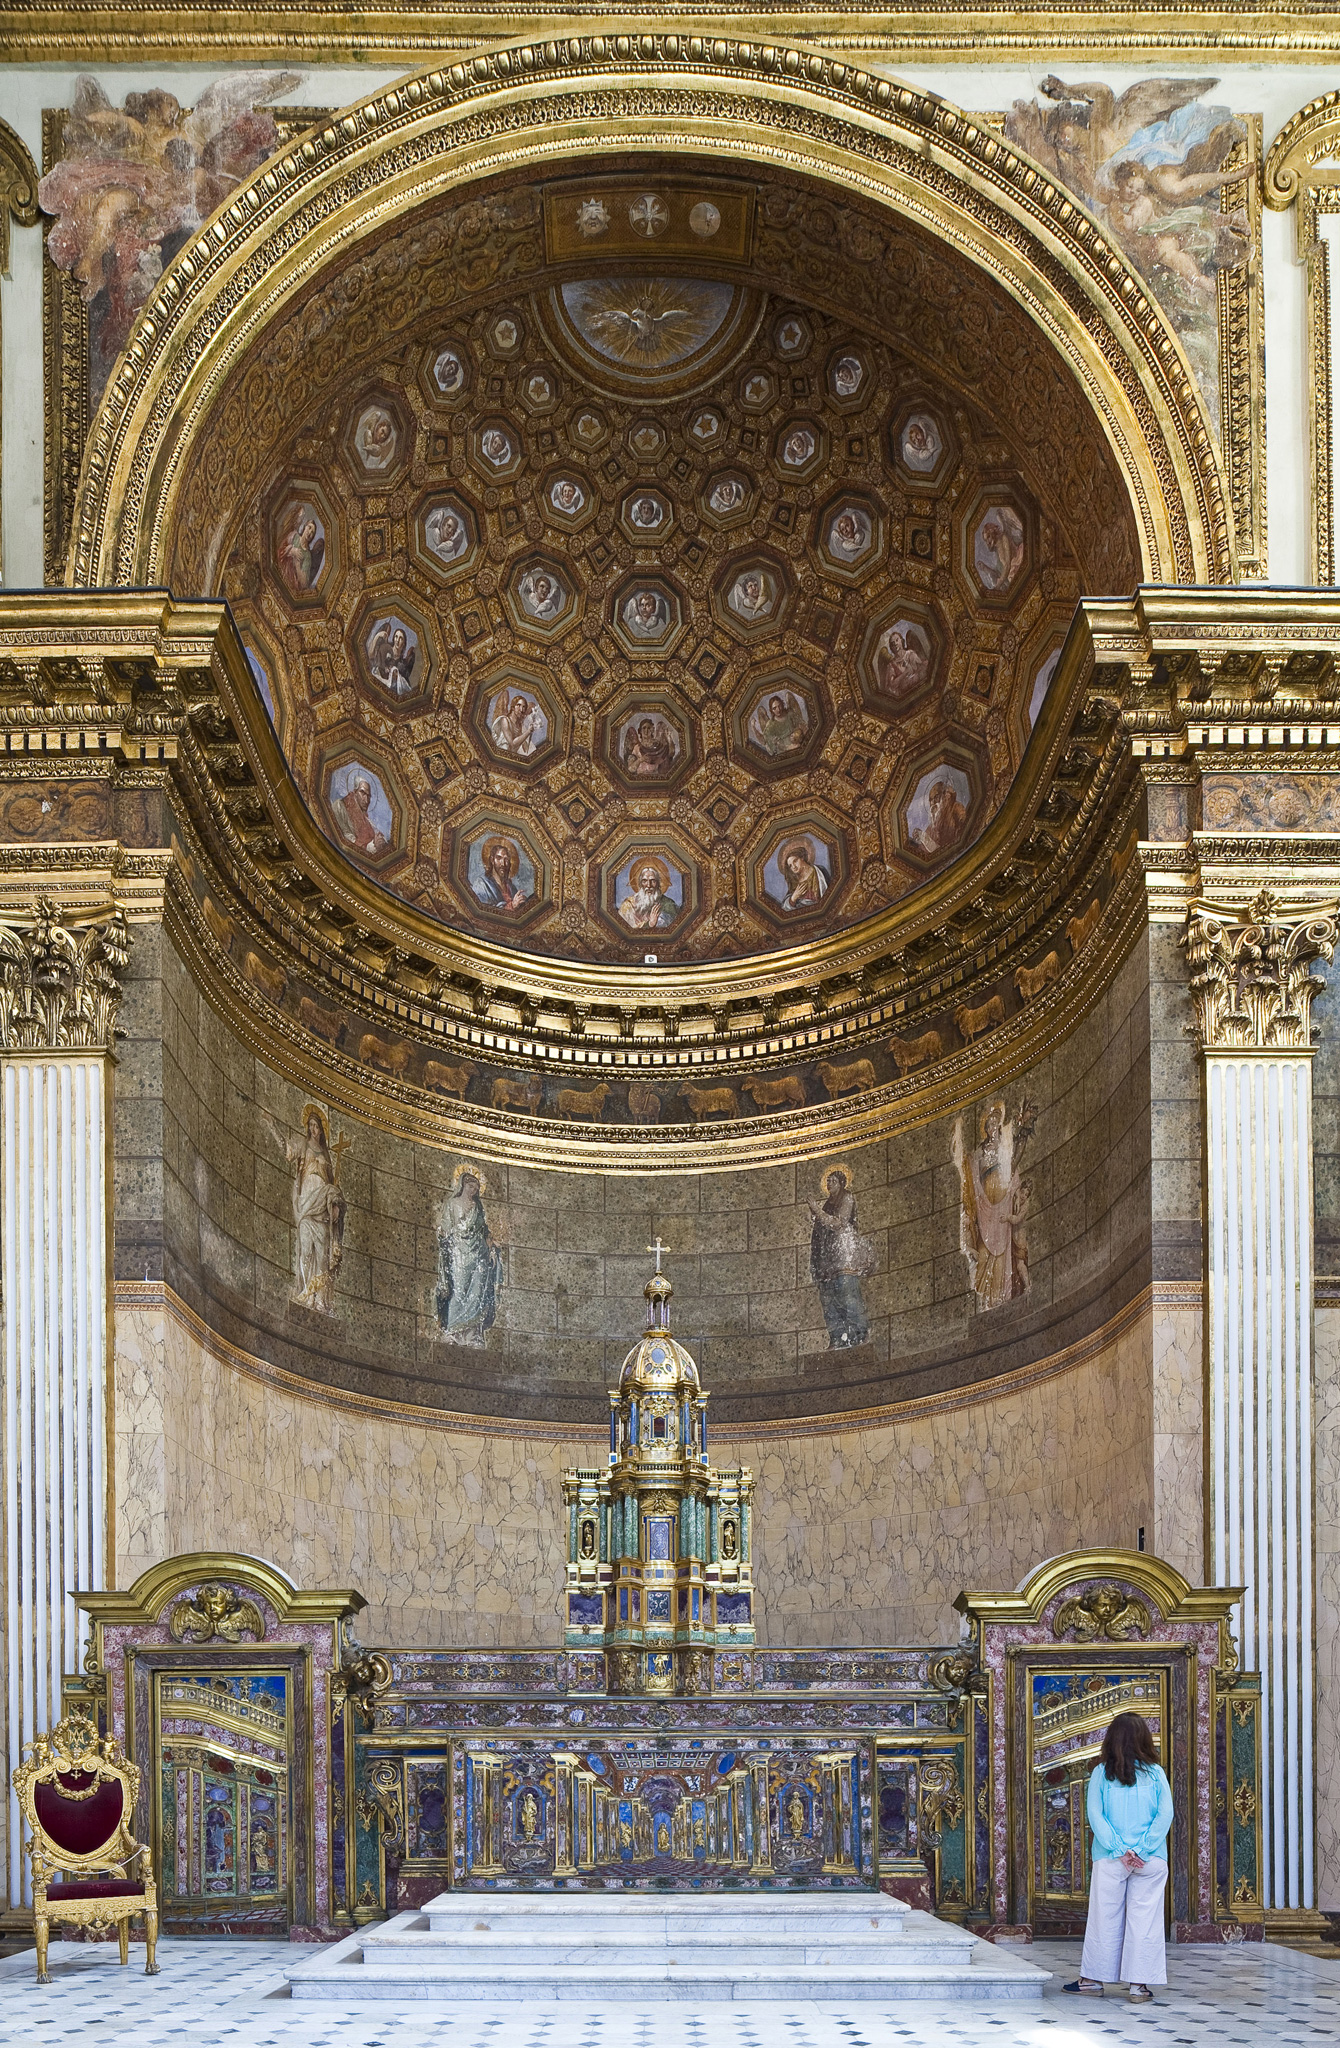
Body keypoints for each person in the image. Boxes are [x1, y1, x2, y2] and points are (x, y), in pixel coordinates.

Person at [1066, 1711, 1174, 2004]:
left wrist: (1119, 1849)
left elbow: (1095, 1816)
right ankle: (1139, 1986)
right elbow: (1165, 1815)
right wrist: (1141, 1849)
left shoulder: (1101, 1772)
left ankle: (1090, 1981)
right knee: (1146, 1921)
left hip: (1111, 1858)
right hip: (1149, 1859)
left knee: (1104, 1917)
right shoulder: (1156, 1773)